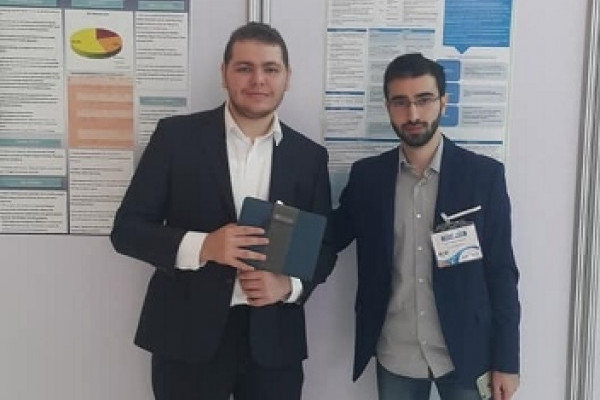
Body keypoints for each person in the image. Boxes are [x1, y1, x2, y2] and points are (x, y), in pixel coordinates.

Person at [110, 22, 336, 400]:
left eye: (271, 69)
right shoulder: (175, 138)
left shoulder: (309, 157)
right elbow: (127, 230)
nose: (258, 80)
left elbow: (324, 246)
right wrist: (205, 246)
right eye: (244, 68)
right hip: (186, 338)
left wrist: (289, 286)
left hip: (274, 342)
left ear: (287, 77)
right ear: (224, 73)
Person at [333, 53, 520, 400]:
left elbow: (502, 273)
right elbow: (329, 237)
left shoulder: (483, 177)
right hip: (396, 353)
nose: (413, 114)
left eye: (424, 99)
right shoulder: (368, 178)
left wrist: (507, 360)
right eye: (400, 102)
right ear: (388, 107)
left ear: (443, 102)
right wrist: (272, 238)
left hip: (466, 353)